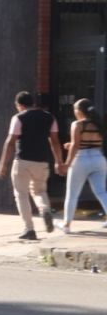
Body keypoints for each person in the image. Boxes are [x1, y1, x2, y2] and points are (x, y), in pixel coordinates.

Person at [0, 91, 65, 240]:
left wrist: (3, 164)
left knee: (21, 194)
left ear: (19, 105)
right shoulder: (49, 117)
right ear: (32, 103)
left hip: (23, 161)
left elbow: (10, 142)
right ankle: (45, 209)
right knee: (40, 191)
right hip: (42, 162)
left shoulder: (18, 118)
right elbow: (55, 141)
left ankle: (29, 229)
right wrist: (59, 161)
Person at [56, 98, 107, 234]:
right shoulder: (100, 124)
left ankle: (66, 225)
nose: (74, 112)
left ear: (79, 111)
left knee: (72, 194)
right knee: (102, 192)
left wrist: (67, 164)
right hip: (98, 158)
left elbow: (76, 145)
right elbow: (91, 143)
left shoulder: (77, 124)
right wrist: (71, 145)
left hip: (81, 159)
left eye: (74, 109)